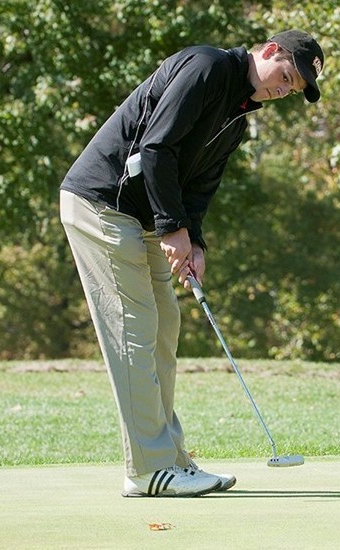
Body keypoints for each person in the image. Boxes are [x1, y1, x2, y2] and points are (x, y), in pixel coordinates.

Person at [59, 30, 325, 497]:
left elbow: (199, 186)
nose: (283, 90)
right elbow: (155, 149)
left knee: (164, 330)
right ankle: (148, 470)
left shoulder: (237, 120)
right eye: (285, 77)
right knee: (134, 333)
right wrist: (171, 229)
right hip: (103, 203)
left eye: (293, 89)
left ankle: (173, 461)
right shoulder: (206, 67)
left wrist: (194, 241)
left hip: (142, 215)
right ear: (268, 51)